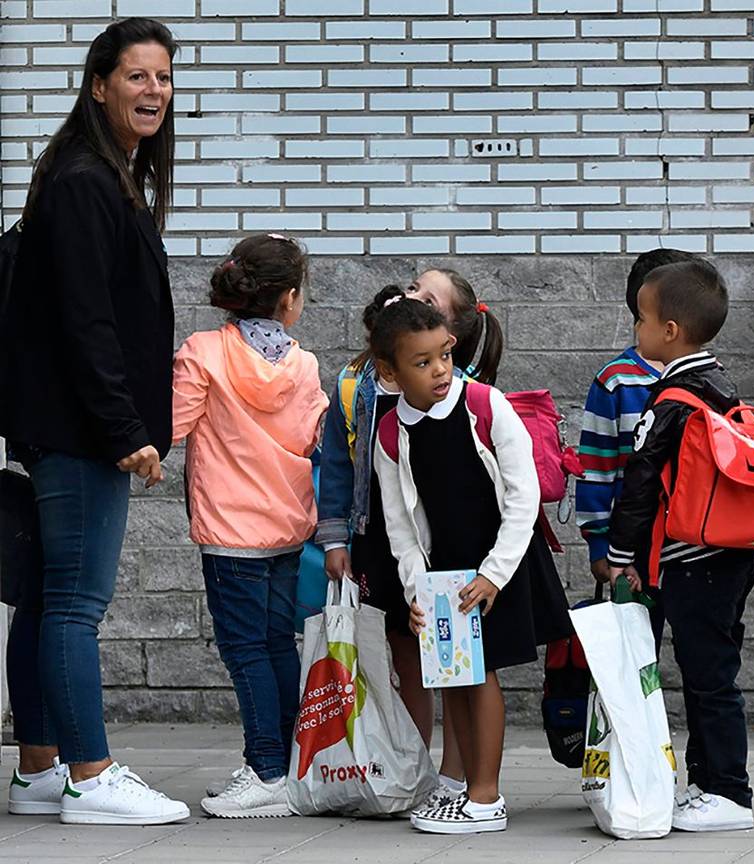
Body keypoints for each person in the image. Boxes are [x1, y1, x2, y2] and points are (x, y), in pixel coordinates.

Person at [0, 18, 189, 825]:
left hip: (61, 425)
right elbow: (86, 321)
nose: (154, 90)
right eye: (138, 76)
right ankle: (89, 774)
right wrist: (124, 429)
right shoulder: (85, 180)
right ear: (98, 85)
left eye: (165, 77)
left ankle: (40, 767)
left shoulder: (97, 175)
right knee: (77, 602)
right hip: (79, 432)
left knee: (45, 598)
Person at [372, 299, 559, 834]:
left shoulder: (485, 405)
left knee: (481, 674)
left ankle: (486, 795)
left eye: (444, 356)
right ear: (389, 372)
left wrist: (494, 574)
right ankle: (455, 782)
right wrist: (418, 593)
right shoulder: (391, 433)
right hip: (443, 574)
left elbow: (524, 499)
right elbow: (400, 527)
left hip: (497, 564)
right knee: (452, 675)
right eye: (422, 362)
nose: (438, 371)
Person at [172, 234, 328, 818]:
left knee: (244, 651)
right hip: (287, 526)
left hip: (228, 531)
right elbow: (315, 438)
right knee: (273, 644)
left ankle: (266, 770)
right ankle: (285, 766)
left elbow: (175, 424)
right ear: (288, 298)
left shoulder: (203, 350)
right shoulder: (305, 363)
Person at [606, 258, 754, 833]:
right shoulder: (721, 385)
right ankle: (706, 785)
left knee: (709, 676)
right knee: (710, 670)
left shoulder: (670, 399)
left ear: (669, 331)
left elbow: (639, 482)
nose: (636, 331)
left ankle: (729, 792)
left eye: (641, 320)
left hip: (693, 562)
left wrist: (622, 555)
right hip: (728, 555)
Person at [316, 285, 434, 746]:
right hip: (374, 537)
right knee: (388, 651)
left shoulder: (442, 382)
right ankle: (399, 754)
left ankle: (440, 765)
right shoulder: (351, 386)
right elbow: (337, 466)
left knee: (428, 652)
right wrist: (334, 541)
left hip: (427, 538)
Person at [576, 248, 695, 651]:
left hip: (692, 544)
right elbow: (597, 467)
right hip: (633, 547)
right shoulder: (616, 383)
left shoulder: (704, 381)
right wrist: (599, 545)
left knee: (701, 656)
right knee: (635, 655)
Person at [408, 267, 503, 383]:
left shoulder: (463, 394)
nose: (408, 297)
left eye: (429, 303)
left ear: (448, 339)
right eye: (412, 288)